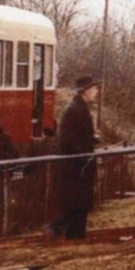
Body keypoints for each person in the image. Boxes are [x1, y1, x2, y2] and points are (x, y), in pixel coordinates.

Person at [51, 76, 100, 239]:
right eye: (94, 89)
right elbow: (69, 140)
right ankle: (66, 234)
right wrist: (85, 155)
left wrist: (92, 139)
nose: (96, 92)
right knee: (75, 203)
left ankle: (73, 235)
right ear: (85, 92)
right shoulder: (74, 111)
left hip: (78, 165)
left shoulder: (79, 109)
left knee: (78, 203)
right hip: (76, 167)